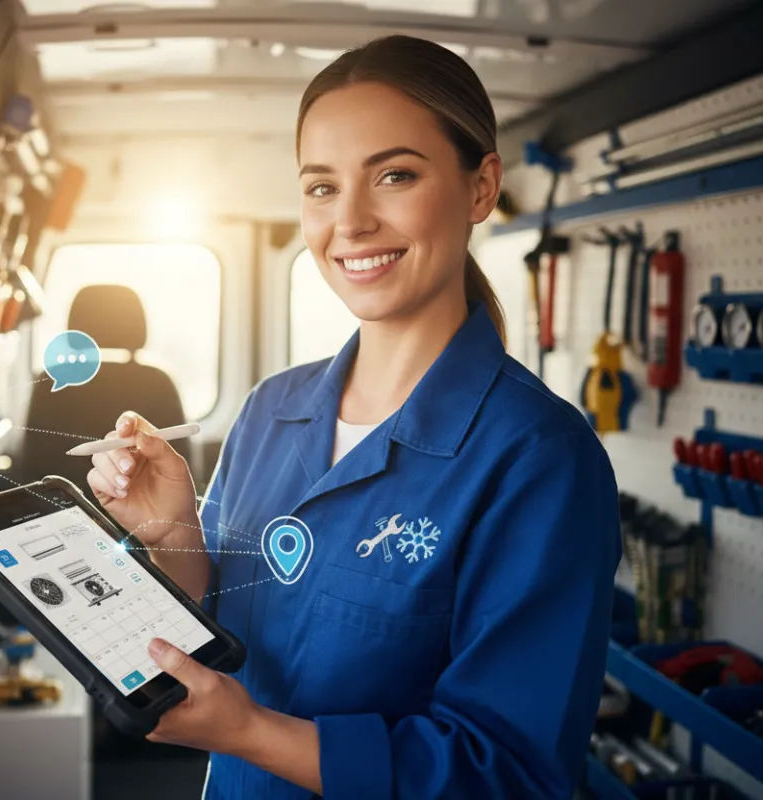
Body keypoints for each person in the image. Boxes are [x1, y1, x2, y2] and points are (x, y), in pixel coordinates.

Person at [86, 34, 620, 799]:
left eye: (394, 175)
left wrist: (248, 733)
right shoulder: (272, 410)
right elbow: (232, 627)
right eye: (321, 187)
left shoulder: (540, 459)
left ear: (480, 187)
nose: (352, 222)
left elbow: (506, 774)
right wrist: (175, 535)